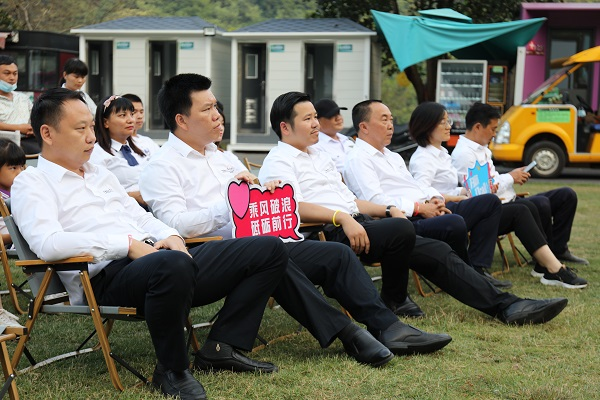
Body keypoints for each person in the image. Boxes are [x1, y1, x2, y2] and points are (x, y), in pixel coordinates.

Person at [139, 73, 453, 366]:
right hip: (211, 254)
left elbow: (254, 201)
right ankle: (349, 334)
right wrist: (232, 205)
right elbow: (176, 225)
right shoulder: (162, 165)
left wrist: (267, 193)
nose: (218, 115)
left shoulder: (223, 157)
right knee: (269, 250)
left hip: (260, 242)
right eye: (207, 109)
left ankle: (388, 327)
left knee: (336, 254)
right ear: (182, 120)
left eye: (216, 107)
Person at [11, 88, 295, 400]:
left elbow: (140, 216)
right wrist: (126, 245)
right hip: (107, 277)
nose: (91, 137)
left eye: (91, 127)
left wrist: (172, 236)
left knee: (267, 248)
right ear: (47, 133)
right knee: (171, 264)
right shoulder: (32, 182)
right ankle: (172, 371)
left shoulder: (99, 174)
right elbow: (49, 243)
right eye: (81, 129)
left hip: (162, 262)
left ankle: (221, 346)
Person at [259, 91, 569, 326]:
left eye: (316, 116)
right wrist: (342, 217)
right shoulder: (279, 161)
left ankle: (508, 306)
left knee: (438, 250)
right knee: (405, 228)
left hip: (360, 223)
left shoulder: (319, 156)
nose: (317, 123)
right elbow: (290, 207)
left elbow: (352, 201)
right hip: (330, 234)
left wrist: (388, 209)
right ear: (285, 127)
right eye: (308, 119)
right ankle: (394, 299)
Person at [410, 102, 588, 289]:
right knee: (518, 206)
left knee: (541, 201)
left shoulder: (443, 154)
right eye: (443, 122)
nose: (449, 126)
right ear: (427, 126)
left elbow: (458, 187)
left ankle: (549, 264)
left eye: (449, 122)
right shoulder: (425, 157)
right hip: (445, 211)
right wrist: (461, 195)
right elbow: (422, 192)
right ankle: (551, 268)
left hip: (465, 203)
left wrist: (463, 192)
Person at [343, 99, 509, 289]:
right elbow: (374, 201)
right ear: (364, 127)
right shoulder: (358, 159)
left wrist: (434, 199)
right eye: (384, 120)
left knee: (489, 202)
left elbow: (417, 186)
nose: (390, 126)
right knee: (454, 222)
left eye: (391, 119)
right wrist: (419, 208)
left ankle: (475, 270)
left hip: (425, 208)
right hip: (402, 220)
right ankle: (468, 277)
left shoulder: (392, 156)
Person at [90, 95, 148, 207]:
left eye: (131, 114)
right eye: (122, 115)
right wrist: (130, 196)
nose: (131, 120)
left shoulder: (140, 147)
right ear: (105, 122)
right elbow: (97, 193)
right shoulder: (96, 153)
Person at [0, 55, 40, 155]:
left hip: (29, 144)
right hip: (4, 148)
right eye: (7, 73)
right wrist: (18, 128)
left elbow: (36, 119)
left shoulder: (23, 98)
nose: (12, 78)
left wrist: (33, 129)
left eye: (15, 73)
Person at [309, 99, 354, 172]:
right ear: (318, 121)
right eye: (331, 115)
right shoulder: (315, 146)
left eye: (338, 113)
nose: (338, 118)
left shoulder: (347, 140)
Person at [0, 138, 25, 246]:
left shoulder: (22, 191)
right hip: (10, 246)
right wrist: (16, 236)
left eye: (22, 167)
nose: (20, 172)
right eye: (13, 168)